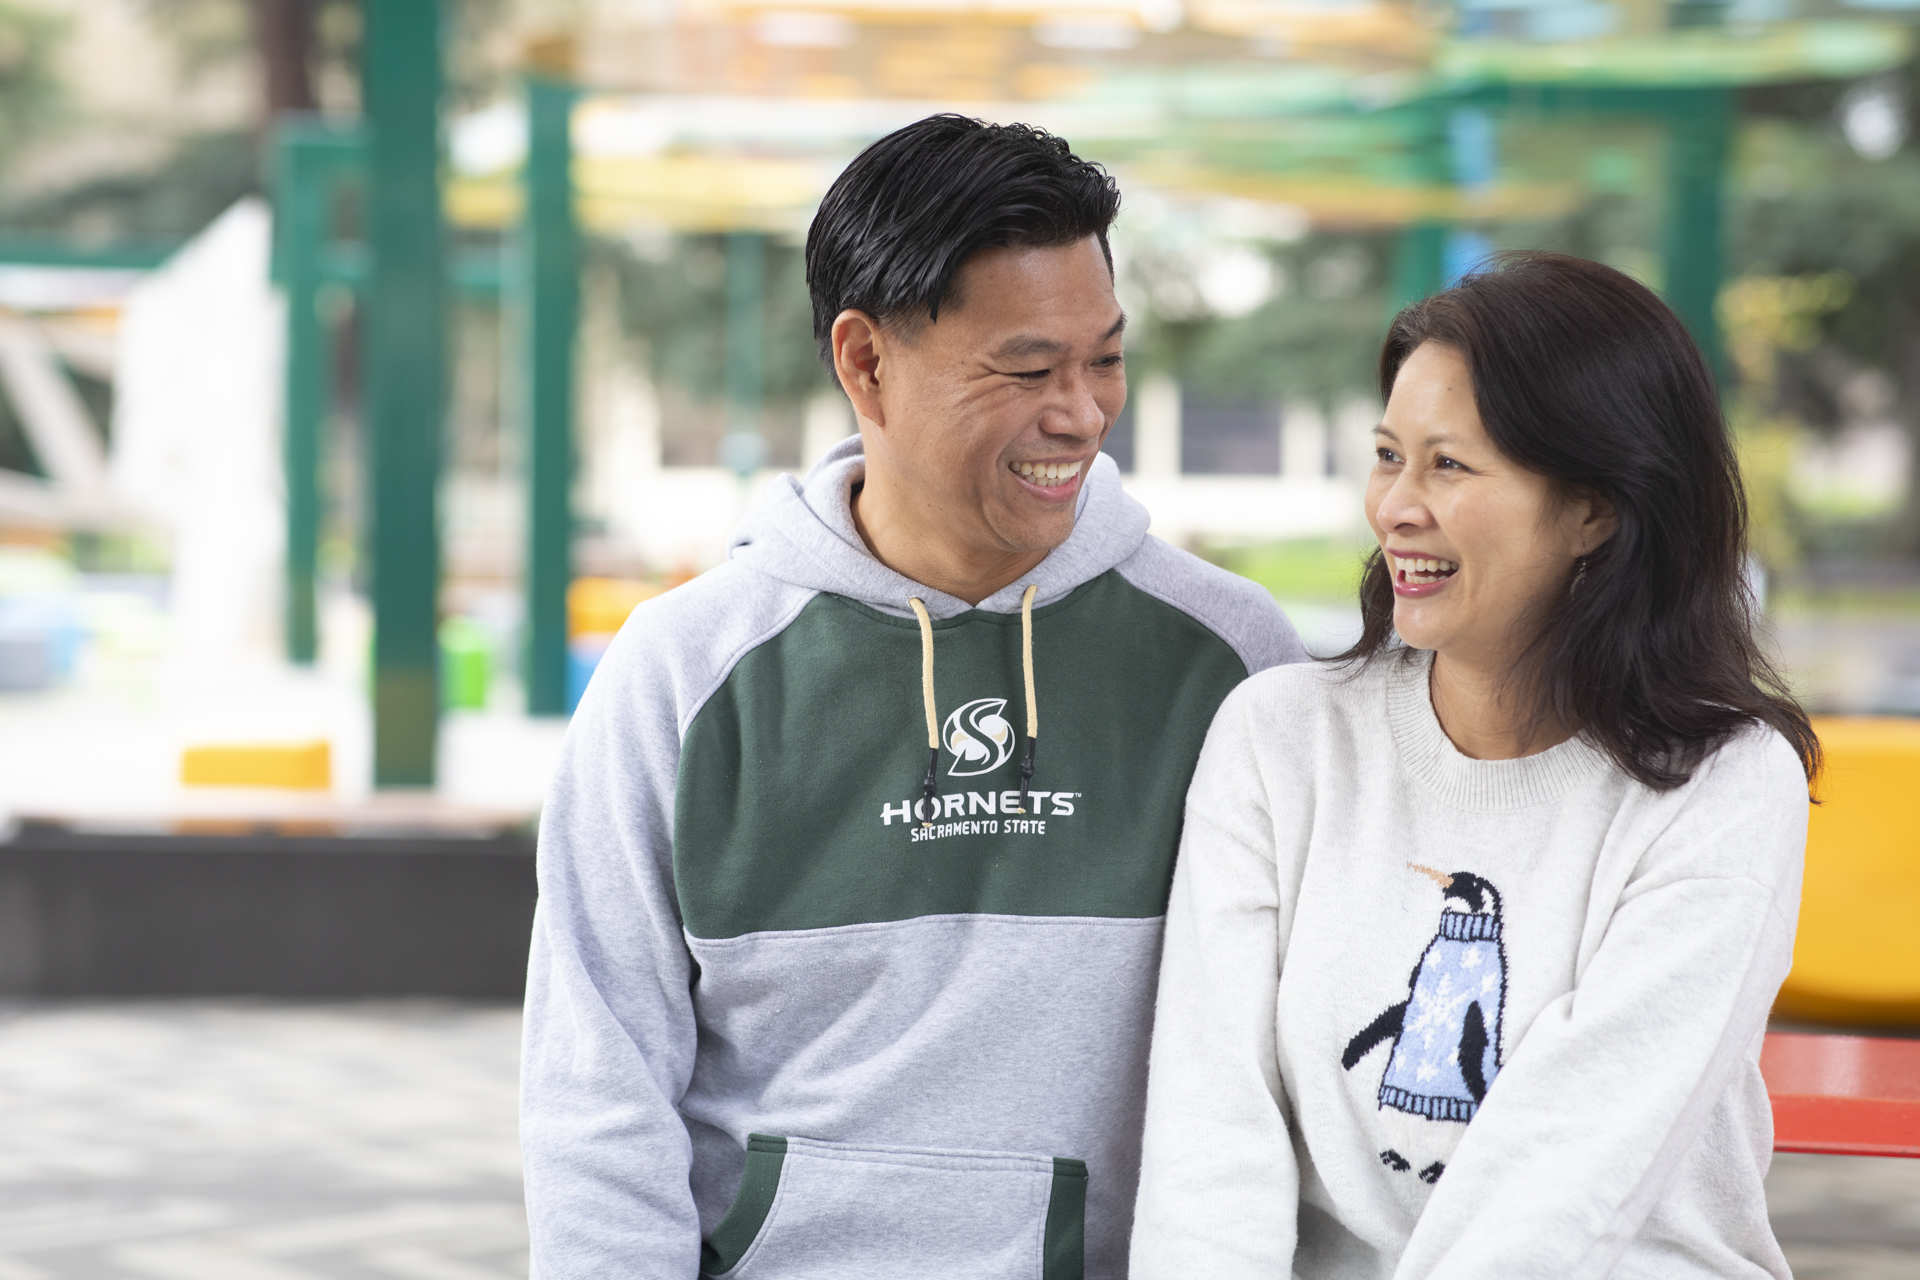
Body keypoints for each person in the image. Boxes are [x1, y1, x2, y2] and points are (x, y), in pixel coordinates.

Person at [520, 114, 1306, 1279]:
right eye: (1029, 369)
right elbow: (600, 1088)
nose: (1082, 413)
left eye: (1105, 360)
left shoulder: (1230, 657)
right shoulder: (682, 670)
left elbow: (1293, 1068)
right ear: (865, 362)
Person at [1129, 251, 1819, 1279]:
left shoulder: (1722, 782)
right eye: (1387, 455)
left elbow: (1566, 1172)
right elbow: (1210, 1131)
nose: (1397, 506)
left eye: (1449, 465)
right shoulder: (1281, 737)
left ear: (1595, 508)